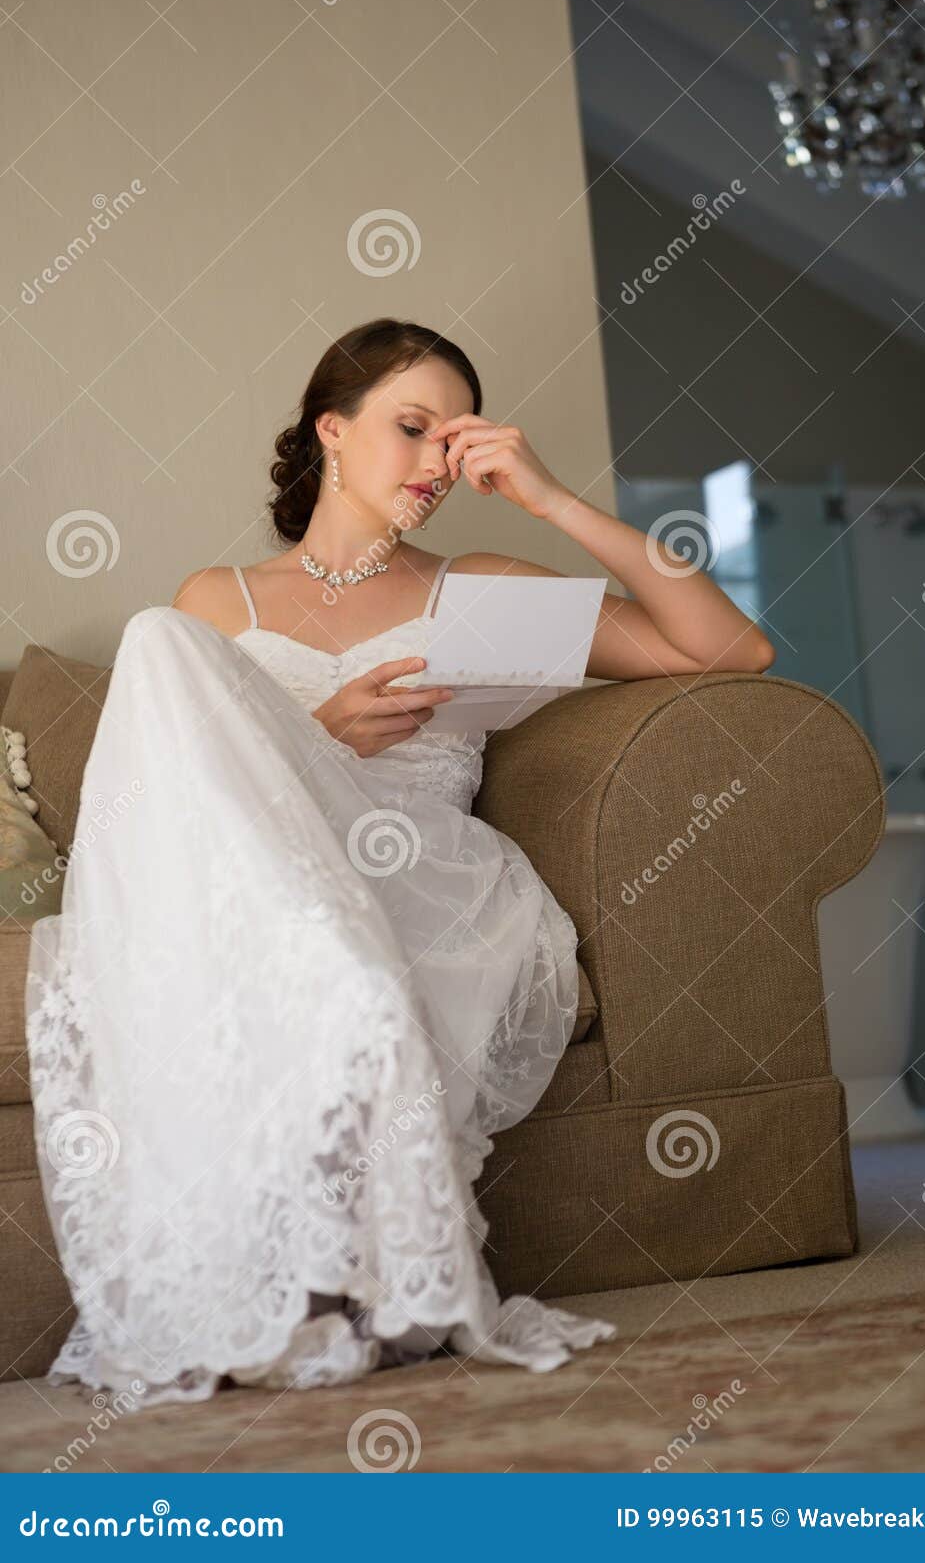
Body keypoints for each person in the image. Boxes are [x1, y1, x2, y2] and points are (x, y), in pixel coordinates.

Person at [23, 317, 774, 1410]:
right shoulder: (214, 605)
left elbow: (724, 650)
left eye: (452, 439)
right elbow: (158, 811)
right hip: (267, 884)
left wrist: (552, 502)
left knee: (348, 969)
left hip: (420, 877)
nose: (434, 464)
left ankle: (355, 1180)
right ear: (332, 430)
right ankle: (244, 1278)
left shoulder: (474, 587)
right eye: (409, 428)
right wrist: (312, 733)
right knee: (154, 639)